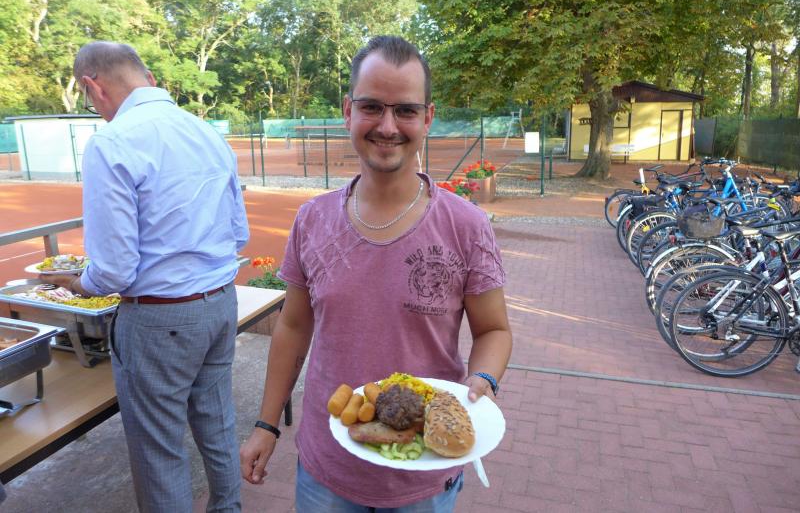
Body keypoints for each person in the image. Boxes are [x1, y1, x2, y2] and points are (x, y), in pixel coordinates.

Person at [239, 35, 512, 511]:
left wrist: (483, 379)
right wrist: (266, 424)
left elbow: (494, 330)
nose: (387, 126)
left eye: (405, 110)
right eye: (371, 107)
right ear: (348, 111)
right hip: (327, 470)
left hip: (424, 469)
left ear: (427, 118)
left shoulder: (466, 225)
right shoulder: (313, 219)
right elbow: (293, 326)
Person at [42, 41, 249, 512]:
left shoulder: (112, 142)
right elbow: (239, 233)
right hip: (219, 302)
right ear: (149, 79)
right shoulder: (205, 131)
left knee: (159, 449)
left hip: (159, 319)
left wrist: (80, 284)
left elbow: (115, 269)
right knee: (217, 421)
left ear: (92, 86)